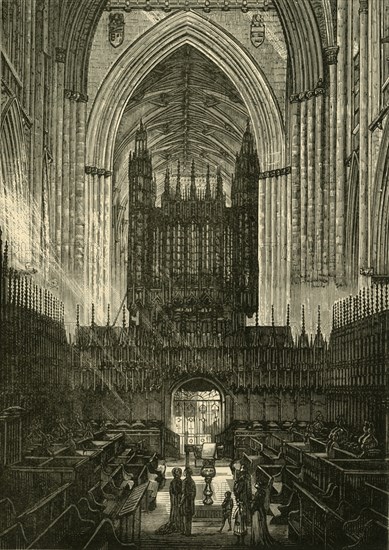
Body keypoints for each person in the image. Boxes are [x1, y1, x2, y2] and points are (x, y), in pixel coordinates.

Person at [156, 467, 183, 535]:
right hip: (176, 499)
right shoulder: (175, 482)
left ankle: (178, 524)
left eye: (179, 472)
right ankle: (176, 524)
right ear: (174, 474)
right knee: (176, 511)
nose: (179, 474)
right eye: (177, 473)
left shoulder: (179, 481)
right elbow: (175, 491)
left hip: (178, 499)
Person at [250, 481, 275, 547]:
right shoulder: (261, 492)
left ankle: (258, 540)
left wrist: (253, 505)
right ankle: (258, 539)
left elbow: (257, 502)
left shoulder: (259, 493)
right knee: (260, 525)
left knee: (258, 525)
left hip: (258, 510)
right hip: (260, 510)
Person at [180, 467, 197, 536]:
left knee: (185, 517)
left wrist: (181, 502)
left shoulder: (185, 481)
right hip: (191, 501)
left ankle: (186, 531)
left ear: (186, 473)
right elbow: (194, 492)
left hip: (186, 501)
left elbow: (183, 493)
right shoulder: (192, 481)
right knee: (189, 518)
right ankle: (188, 531)